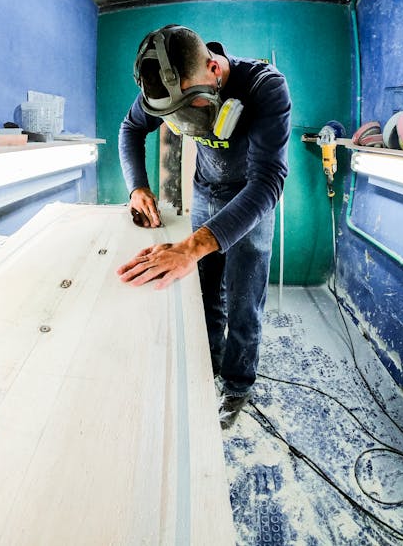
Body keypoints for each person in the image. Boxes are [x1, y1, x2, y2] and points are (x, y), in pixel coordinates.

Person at [116, 25, 291, 429]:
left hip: (251, 198)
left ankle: (237, 384)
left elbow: (268, 181)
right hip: (208, 191)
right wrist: (137, 188)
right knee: (204, 292)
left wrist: (192, 246)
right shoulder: (166, 87)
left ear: (214, 70)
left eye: (191, 106)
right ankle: (207, 365)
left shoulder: (265, 87)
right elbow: (130, 129)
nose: (184, 121)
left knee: (245, 301)